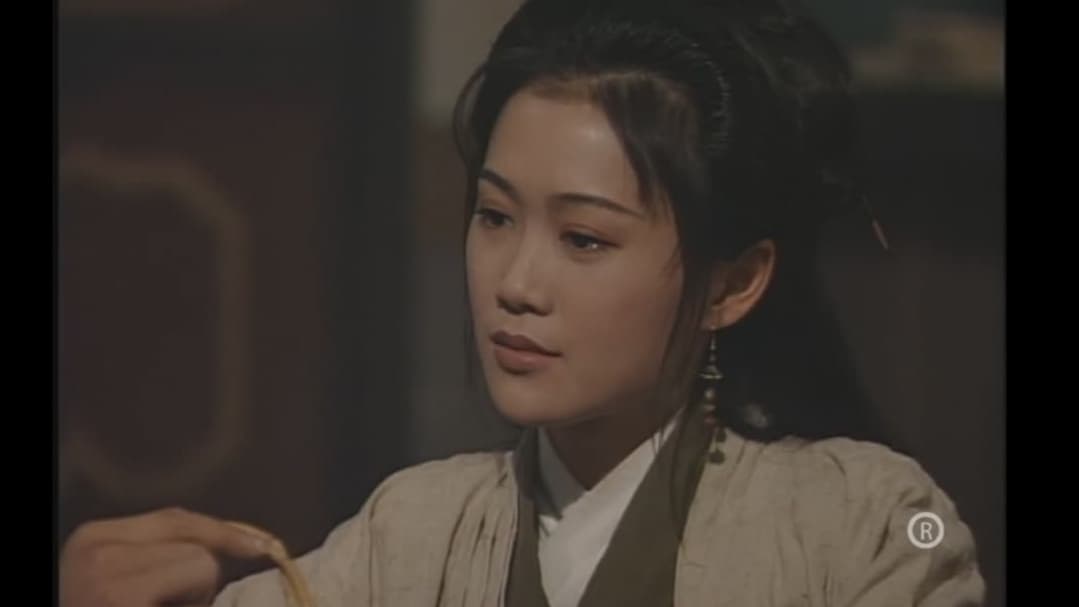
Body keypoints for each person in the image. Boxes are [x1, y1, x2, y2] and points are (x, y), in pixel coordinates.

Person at [58, 0, 986, 605]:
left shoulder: (873, 522)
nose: (515, 283)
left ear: (731, 282)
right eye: (495, 216)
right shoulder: (407, 534)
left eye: (584, 238)